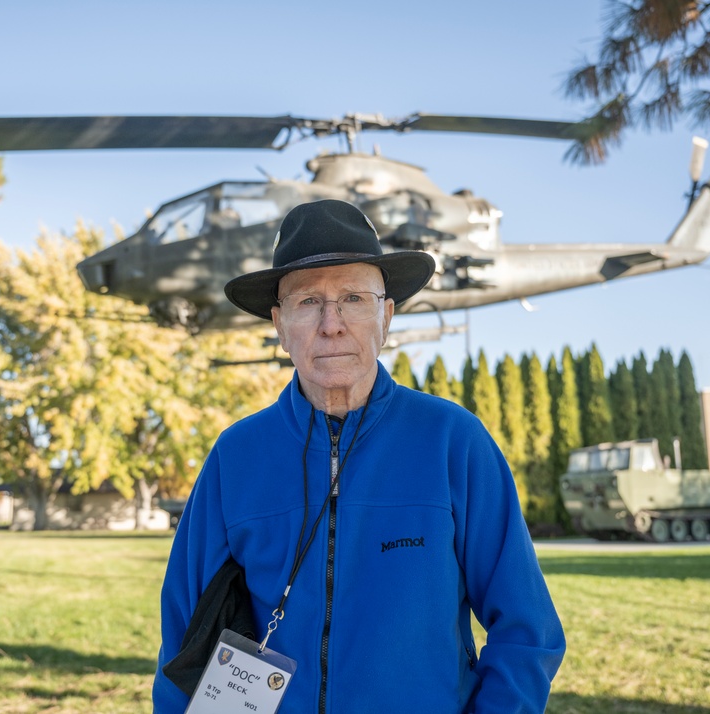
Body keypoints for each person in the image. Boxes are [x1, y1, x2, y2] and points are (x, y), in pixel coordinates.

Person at [152, 199, 565, 713]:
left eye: (353, 298)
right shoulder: (235, 455)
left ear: (385, 317)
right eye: (307, 302)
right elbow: (183, 635)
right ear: (280, 326)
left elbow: (528, 629)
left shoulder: (452, 440)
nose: (332, 324)